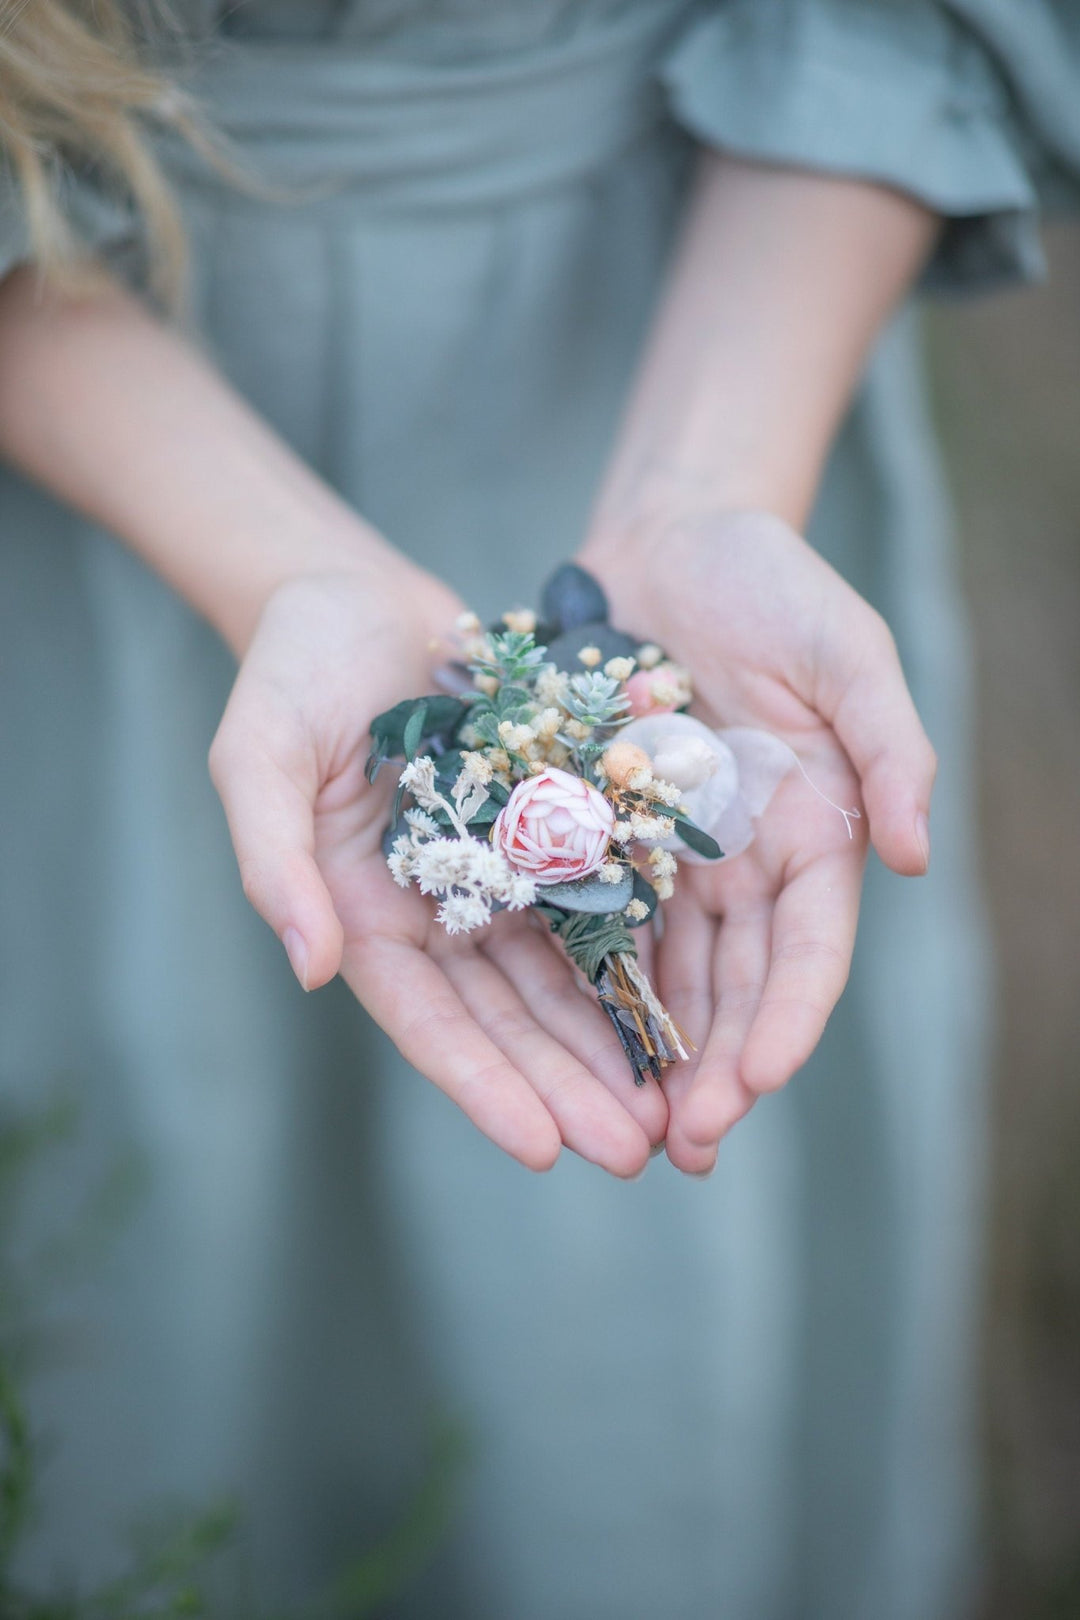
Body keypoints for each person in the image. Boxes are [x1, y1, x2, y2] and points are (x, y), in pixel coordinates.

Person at [1, 0, 1076, 1614]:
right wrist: (280, 569)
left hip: (714, 328)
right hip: (109, 439)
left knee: (635, 1320)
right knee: (168, 1204)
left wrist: (712, 489)